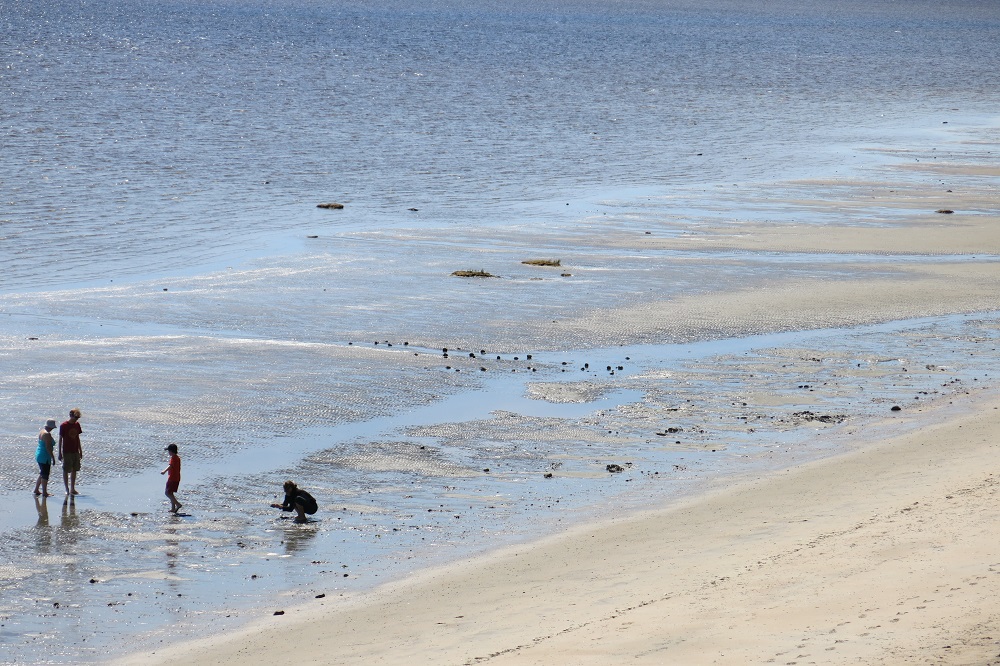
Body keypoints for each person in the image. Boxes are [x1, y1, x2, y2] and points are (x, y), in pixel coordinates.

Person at [58, 408, 83, 495]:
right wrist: (59, 453)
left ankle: (72, 488)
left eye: (77, 418)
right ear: (71, 416)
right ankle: (66, 489)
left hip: (75, 450)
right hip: (66, 451)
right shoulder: (64, 425)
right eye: (75, 417)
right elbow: (60, 439)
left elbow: (78, 438)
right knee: (66, 469)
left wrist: (80, 450)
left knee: (75, 469)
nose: (76, 419)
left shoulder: (77, 425)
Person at [33, 418, 57, 496]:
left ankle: (36, 489)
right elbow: (48, 447)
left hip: (39, 454)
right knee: (45, 474)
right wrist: (52, 457)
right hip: (44, 456)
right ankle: (44, 492)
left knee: (42, 473)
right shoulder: (47, 434)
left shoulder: (42, 431)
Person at [160, 444, 182, 513]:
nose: (168, 453)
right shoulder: (177, 458)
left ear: (171, 451)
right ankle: (173, 508)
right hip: (176, 478)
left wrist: (164, 471)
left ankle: (178, 504)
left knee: (167, 493)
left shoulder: (174, 458)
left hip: (172, 478)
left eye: (168, 451)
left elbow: (170, 466)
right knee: (171, 493)